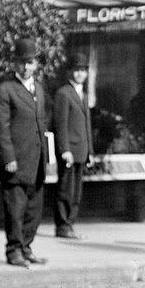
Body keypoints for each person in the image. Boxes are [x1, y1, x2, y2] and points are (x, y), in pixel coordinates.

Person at [0, 37, 50, 268]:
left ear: (37, 64)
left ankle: (26, 247)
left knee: (33, 210)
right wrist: (8, 158)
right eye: (22, 62)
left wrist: (47, 158)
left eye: (31, 62)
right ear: (15, 64)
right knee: (15, 209)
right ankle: (14, 250)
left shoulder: (40, 90)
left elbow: (41, 125)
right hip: (14, 162)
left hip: (36, 162)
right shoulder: (5, 90)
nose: (26, 67)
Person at [52, 52, 93, 240]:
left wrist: (90, 151)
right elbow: (60, 125)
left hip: (82, 150)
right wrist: (64, 149)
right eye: (76, 70)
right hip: (69, 150)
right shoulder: (63, 93)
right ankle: (62, 225)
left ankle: (70, 223)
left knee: (77, 191)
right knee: (65, 189)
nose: (79, 74)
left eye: (83, 70)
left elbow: (87, 125)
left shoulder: (83, 94)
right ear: (70, 72)